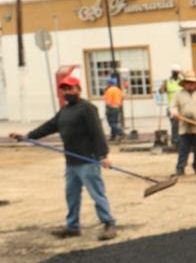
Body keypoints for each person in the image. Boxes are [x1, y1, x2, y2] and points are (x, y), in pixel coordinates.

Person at [9, 76, 117, 241]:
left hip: (88, 161)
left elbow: (97, 132)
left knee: (97, 194)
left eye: (71, 88)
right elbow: (49, 126)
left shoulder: (88, 108)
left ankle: (109, 224)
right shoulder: (64, 111)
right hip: (71, 163)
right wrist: (27, 136)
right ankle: (72, 227)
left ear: (78, 89)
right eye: (64, 89)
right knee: (71, 195)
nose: (67, 92)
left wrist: (104, 155)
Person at [159, 63, 184, 147]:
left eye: (177, 72)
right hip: (172, 106)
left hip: (182, 105)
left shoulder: (183, 80)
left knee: (183, 124)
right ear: (172, 72)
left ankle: (183, 140)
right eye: (174, 72)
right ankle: (175, 140)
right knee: (174, 124)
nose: (176, 73)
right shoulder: (167, 81)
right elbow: (161, 92)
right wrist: (162, 86)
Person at [103, 76, 125, 141]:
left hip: (111, 108)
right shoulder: (118, 90)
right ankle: (113, 136)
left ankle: (121, 133)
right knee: (115, 121)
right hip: (117, 107)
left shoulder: (109, 90)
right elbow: (122, 98)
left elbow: (108, 101)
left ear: (110, 83)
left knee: (112, 123)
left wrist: (107, 108)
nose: (107, 84)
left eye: (108, 83)